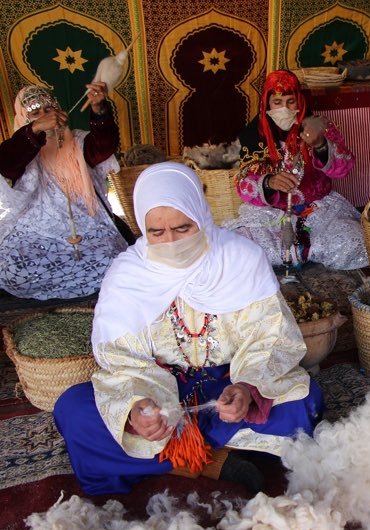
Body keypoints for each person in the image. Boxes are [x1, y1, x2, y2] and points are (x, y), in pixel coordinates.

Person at [53, 162, 323, 496]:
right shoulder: (128, 275)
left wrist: (246, 388)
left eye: (182, 228)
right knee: (74, 410)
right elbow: (121, 359)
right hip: (157, 390)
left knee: (302, 399)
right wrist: (137, 408)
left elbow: (270, 337)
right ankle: (213, 460)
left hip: (225, 387)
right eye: (156, 232)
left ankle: (172, 458)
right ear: (141, 227)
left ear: (201, 215)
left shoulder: (240, 259)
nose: (170, 241)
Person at [225, 70, 367, 271]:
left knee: (354, 240)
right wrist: (268, 182)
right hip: (270, 214)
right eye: (277, 102)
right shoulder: (252, 134)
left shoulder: (319, 127)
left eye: (291, 101)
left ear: (300, 101)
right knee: (239, 249)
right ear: (266, 104)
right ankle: (304, 258)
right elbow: (243, 184)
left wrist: (320, 144)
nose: (284, 108)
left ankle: (303, 256)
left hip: (319, 210)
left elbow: (343, 169)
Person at [0, 83, 129, 300]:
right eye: (35, 113)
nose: (44, 117)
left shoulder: (78, 140)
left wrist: (98, 110)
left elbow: (103, 146)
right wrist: (35, 130)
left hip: (88, 222)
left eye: (48, 110)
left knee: (113, 258)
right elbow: (6, 164)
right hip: (36, 229)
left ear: (59, 111)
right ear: (23, 118)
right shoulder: (20, 146)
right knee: (11, 265)